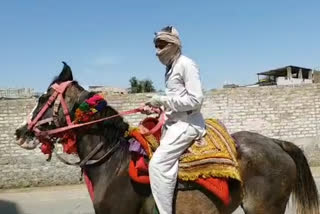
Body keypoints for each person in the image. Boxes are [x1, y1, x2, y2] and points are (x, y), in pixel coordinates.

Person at [145, 26, 206, 214]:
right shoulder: (171, 68)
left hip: (187, 124)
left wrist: (163, 100)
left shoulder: (186, 64)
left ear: (173, 45)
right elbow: (177, 99)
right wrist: (157, 106)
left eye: (161, 45)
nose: (157, 52)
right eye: (156, 46)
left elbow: (196, 100)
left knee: (157, 165)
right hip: (173, 124)